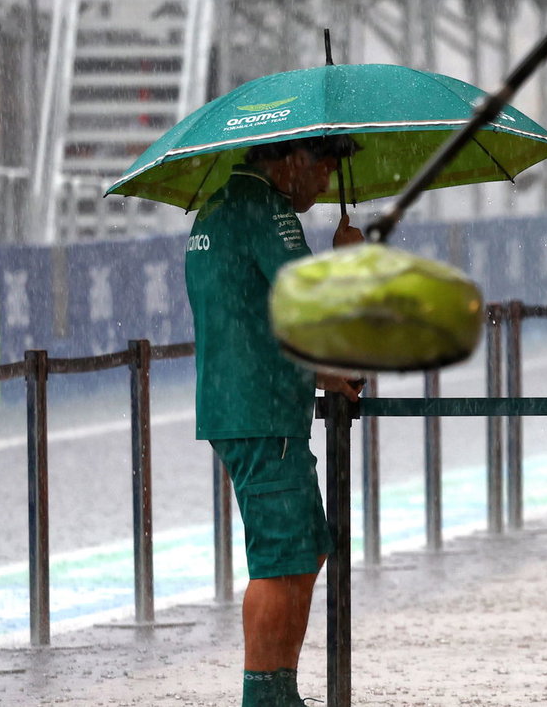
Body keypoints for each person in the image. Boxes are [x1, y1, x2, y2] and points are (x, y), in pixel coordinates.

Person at [185, 136, 365, 707]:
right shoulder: (269, 210)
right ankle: (264, 697)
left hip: (243, 401)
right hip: (261, 414)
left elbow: (255, 321)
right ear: (290, 161)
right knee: (278, 558)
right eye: (323, 169)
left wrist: (321, 376)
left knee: (307, 546)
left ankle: (279, 690)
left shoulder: (219, 205)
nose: (325, 184)